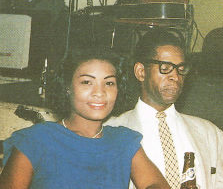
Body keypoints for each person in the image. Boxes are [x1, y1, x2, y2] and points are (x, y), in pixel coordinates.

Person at [0, 48, 170, 189]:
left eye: (109, 83)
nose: (99, 92)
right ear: (67, 87)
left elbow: (155, 184)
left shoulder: (123, 141)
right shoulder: (36, 140)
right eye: (87, 82)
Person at [106, 29, 223, 189]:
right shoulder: (111, 131)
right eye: (165, 68)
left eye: (181, 69)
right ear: (141, 71)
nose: (175, 77)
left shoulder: (210, 133)